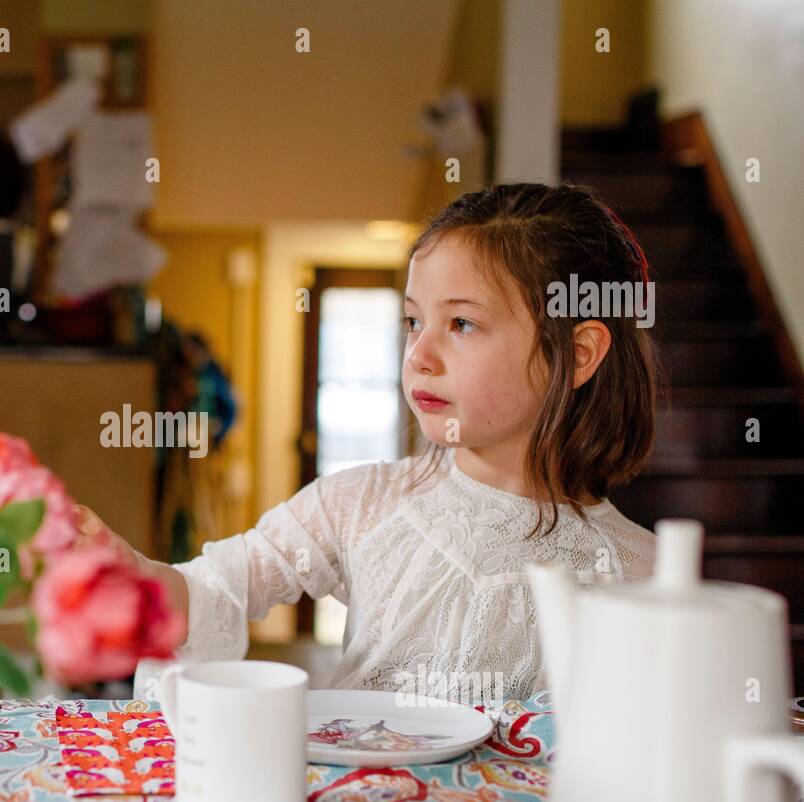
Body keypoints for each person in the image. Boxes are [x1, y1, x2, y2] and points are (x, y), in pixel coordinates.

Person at [76, 182, 660, 705]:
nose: (419, 356)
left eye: (461, 324)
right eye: (413, 322)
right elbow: (218, 587)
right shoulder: (361, 504)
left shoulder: (644, 573)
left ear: (578, 355)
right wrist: (134, 577)